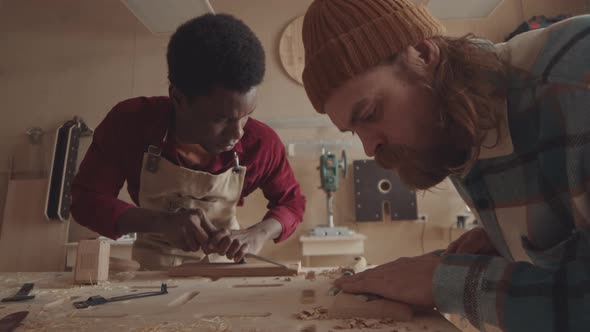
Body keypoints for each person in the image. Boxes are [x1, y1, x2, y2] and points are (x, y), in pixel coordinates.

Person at [301, 0, 590, 331]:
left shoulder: (577, 81)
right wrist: (505, 240)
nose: (369, 148)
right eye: (354, 131)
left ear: (423, 55)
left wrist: (449, 282)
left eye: (369, 114)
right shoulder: (449, 124)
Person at [71, 14, 306, 270]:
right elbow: (86, 200)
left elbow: (291, 203)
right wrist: (159, 222)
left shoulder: (260, 143)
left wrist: (258, 233)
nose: (237, 133)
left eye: (246, 115)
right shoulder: (131, 123)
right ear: (178, 98)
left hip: (226, 270)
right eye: (222, 119)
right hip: (153, 272)